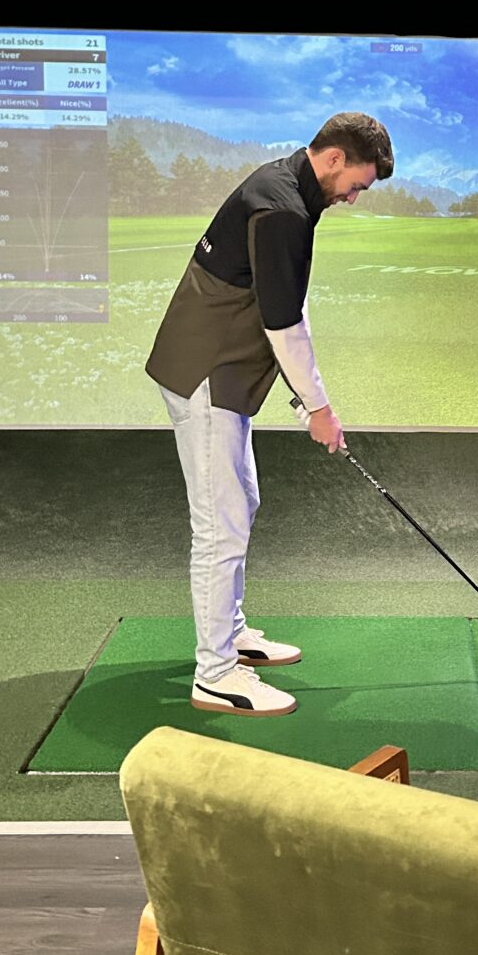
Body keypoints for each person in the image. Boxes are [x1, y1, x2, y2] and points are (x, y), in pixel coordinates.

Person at [145, 112, 395, 716]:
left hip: (219, 372)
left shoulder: (285, 187)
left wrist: (316, 403)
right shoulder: (282, 208)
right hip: (206, 374)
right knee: (220, 527)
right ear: (333, 158)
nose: (353, 198)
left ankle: (230, 635)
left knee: (242, 504)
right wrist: (320, 410)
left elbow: (280, 306)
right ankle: (215, 674)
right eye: (355, 184)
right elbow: (283, 323)